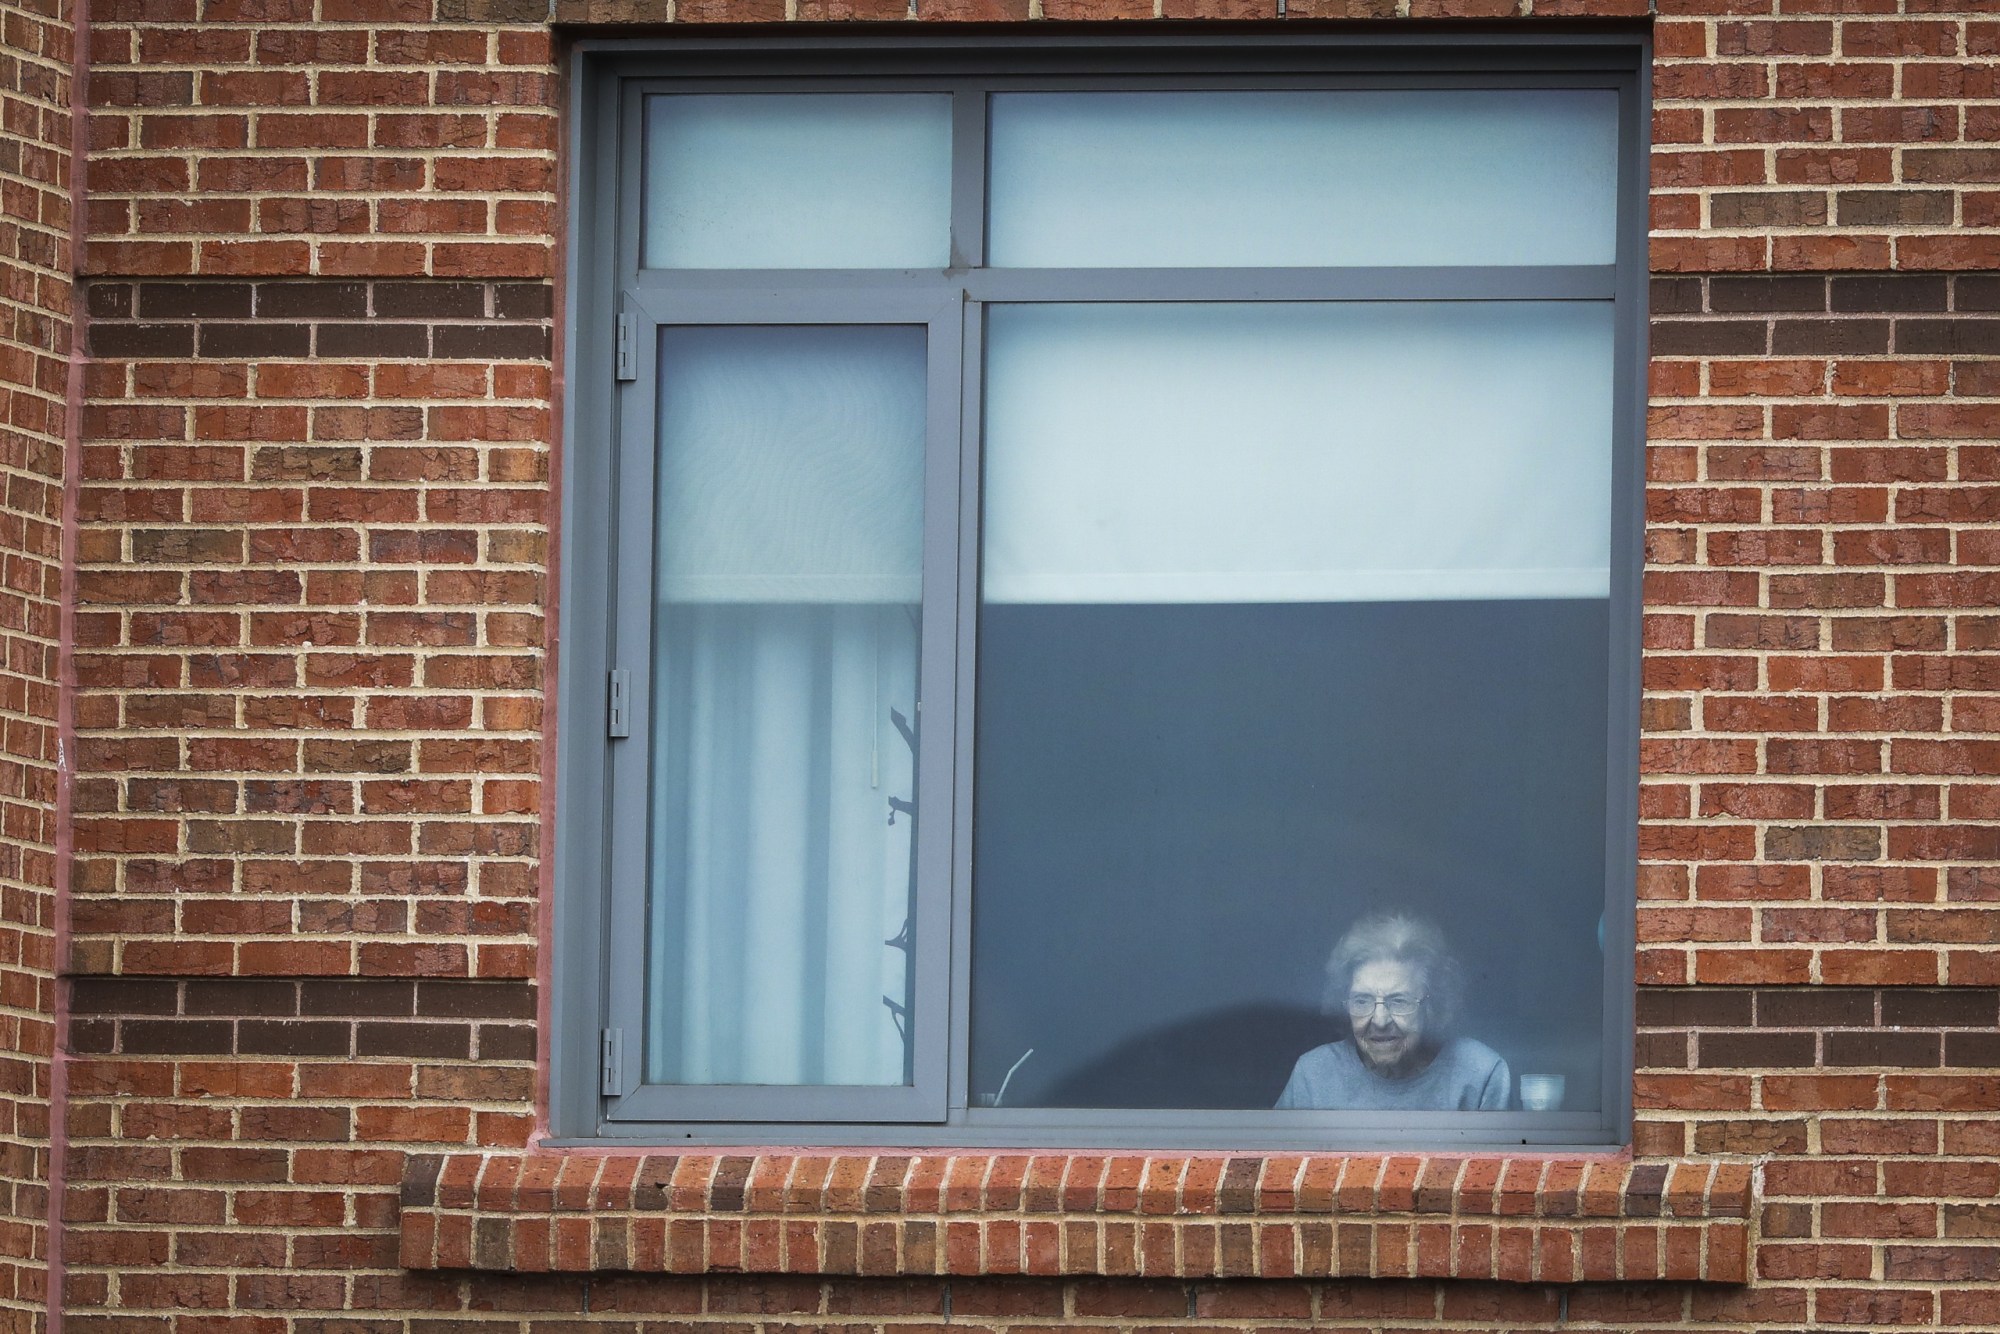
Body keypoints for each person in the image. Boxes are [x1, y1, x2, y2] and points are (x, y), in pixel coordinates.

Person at [1275, 912, 1510, 1111]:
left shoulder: (1479, 1073)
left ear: (1432, 1004)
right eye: (1362, 1000)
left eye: (1398, 1001)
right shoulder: (1314, 1074)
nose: (1379, 1020)